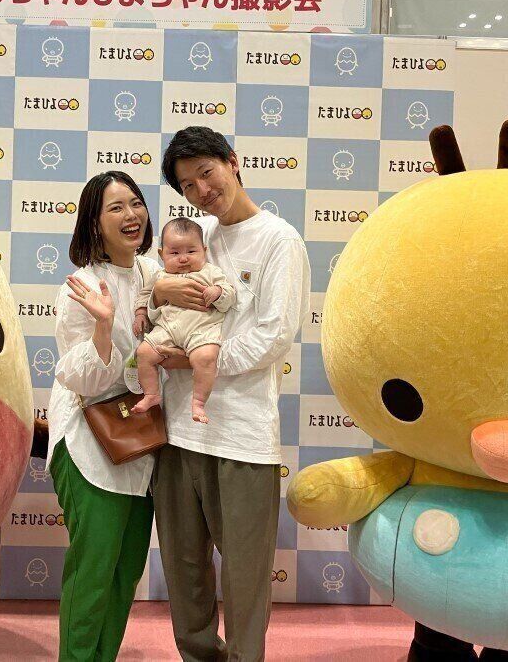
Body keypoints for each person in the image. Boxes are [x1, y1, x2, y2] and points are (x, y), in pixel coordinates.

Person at [152, 126, 311, 661]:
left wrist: (197, 362)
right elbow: (144, 289)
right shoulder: (192, 237)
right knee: (184, 570)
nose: (201, 190)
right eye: (187, 185)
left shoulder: (279, 240)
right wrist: (158, 289)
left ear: (233, 162)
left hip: (242, 436)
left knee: (245, 576)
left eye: (206, 173)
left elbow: (273, 335)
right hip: (178, 431)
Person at [46, 171, 159, 662]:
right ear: (94, 222)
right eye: (116, 207)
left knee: (125, 572)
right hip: (90, 446)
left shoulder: (153, 274)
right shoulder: (82, 285)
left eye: (135, 203)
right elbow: (81, 379)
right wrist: (104, 326)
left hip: (142, 445)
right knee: (92, 573)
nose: (131, 215)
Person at [130, 217, 236, 423]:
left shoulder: (211, 272)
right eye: (174, 253)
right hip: (167, 328)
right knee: (144, 353)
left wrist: (217, 291)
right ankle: (151, 394)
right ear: (161, 254)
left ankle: (199, 401)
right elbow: (145, 295)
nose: (184, 258)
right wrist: (141, 313)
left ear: (204, 251)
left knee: (205, 358)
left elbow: (229, 293)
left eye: (191, 251)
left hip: (201, 330)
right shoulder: (159, 277)